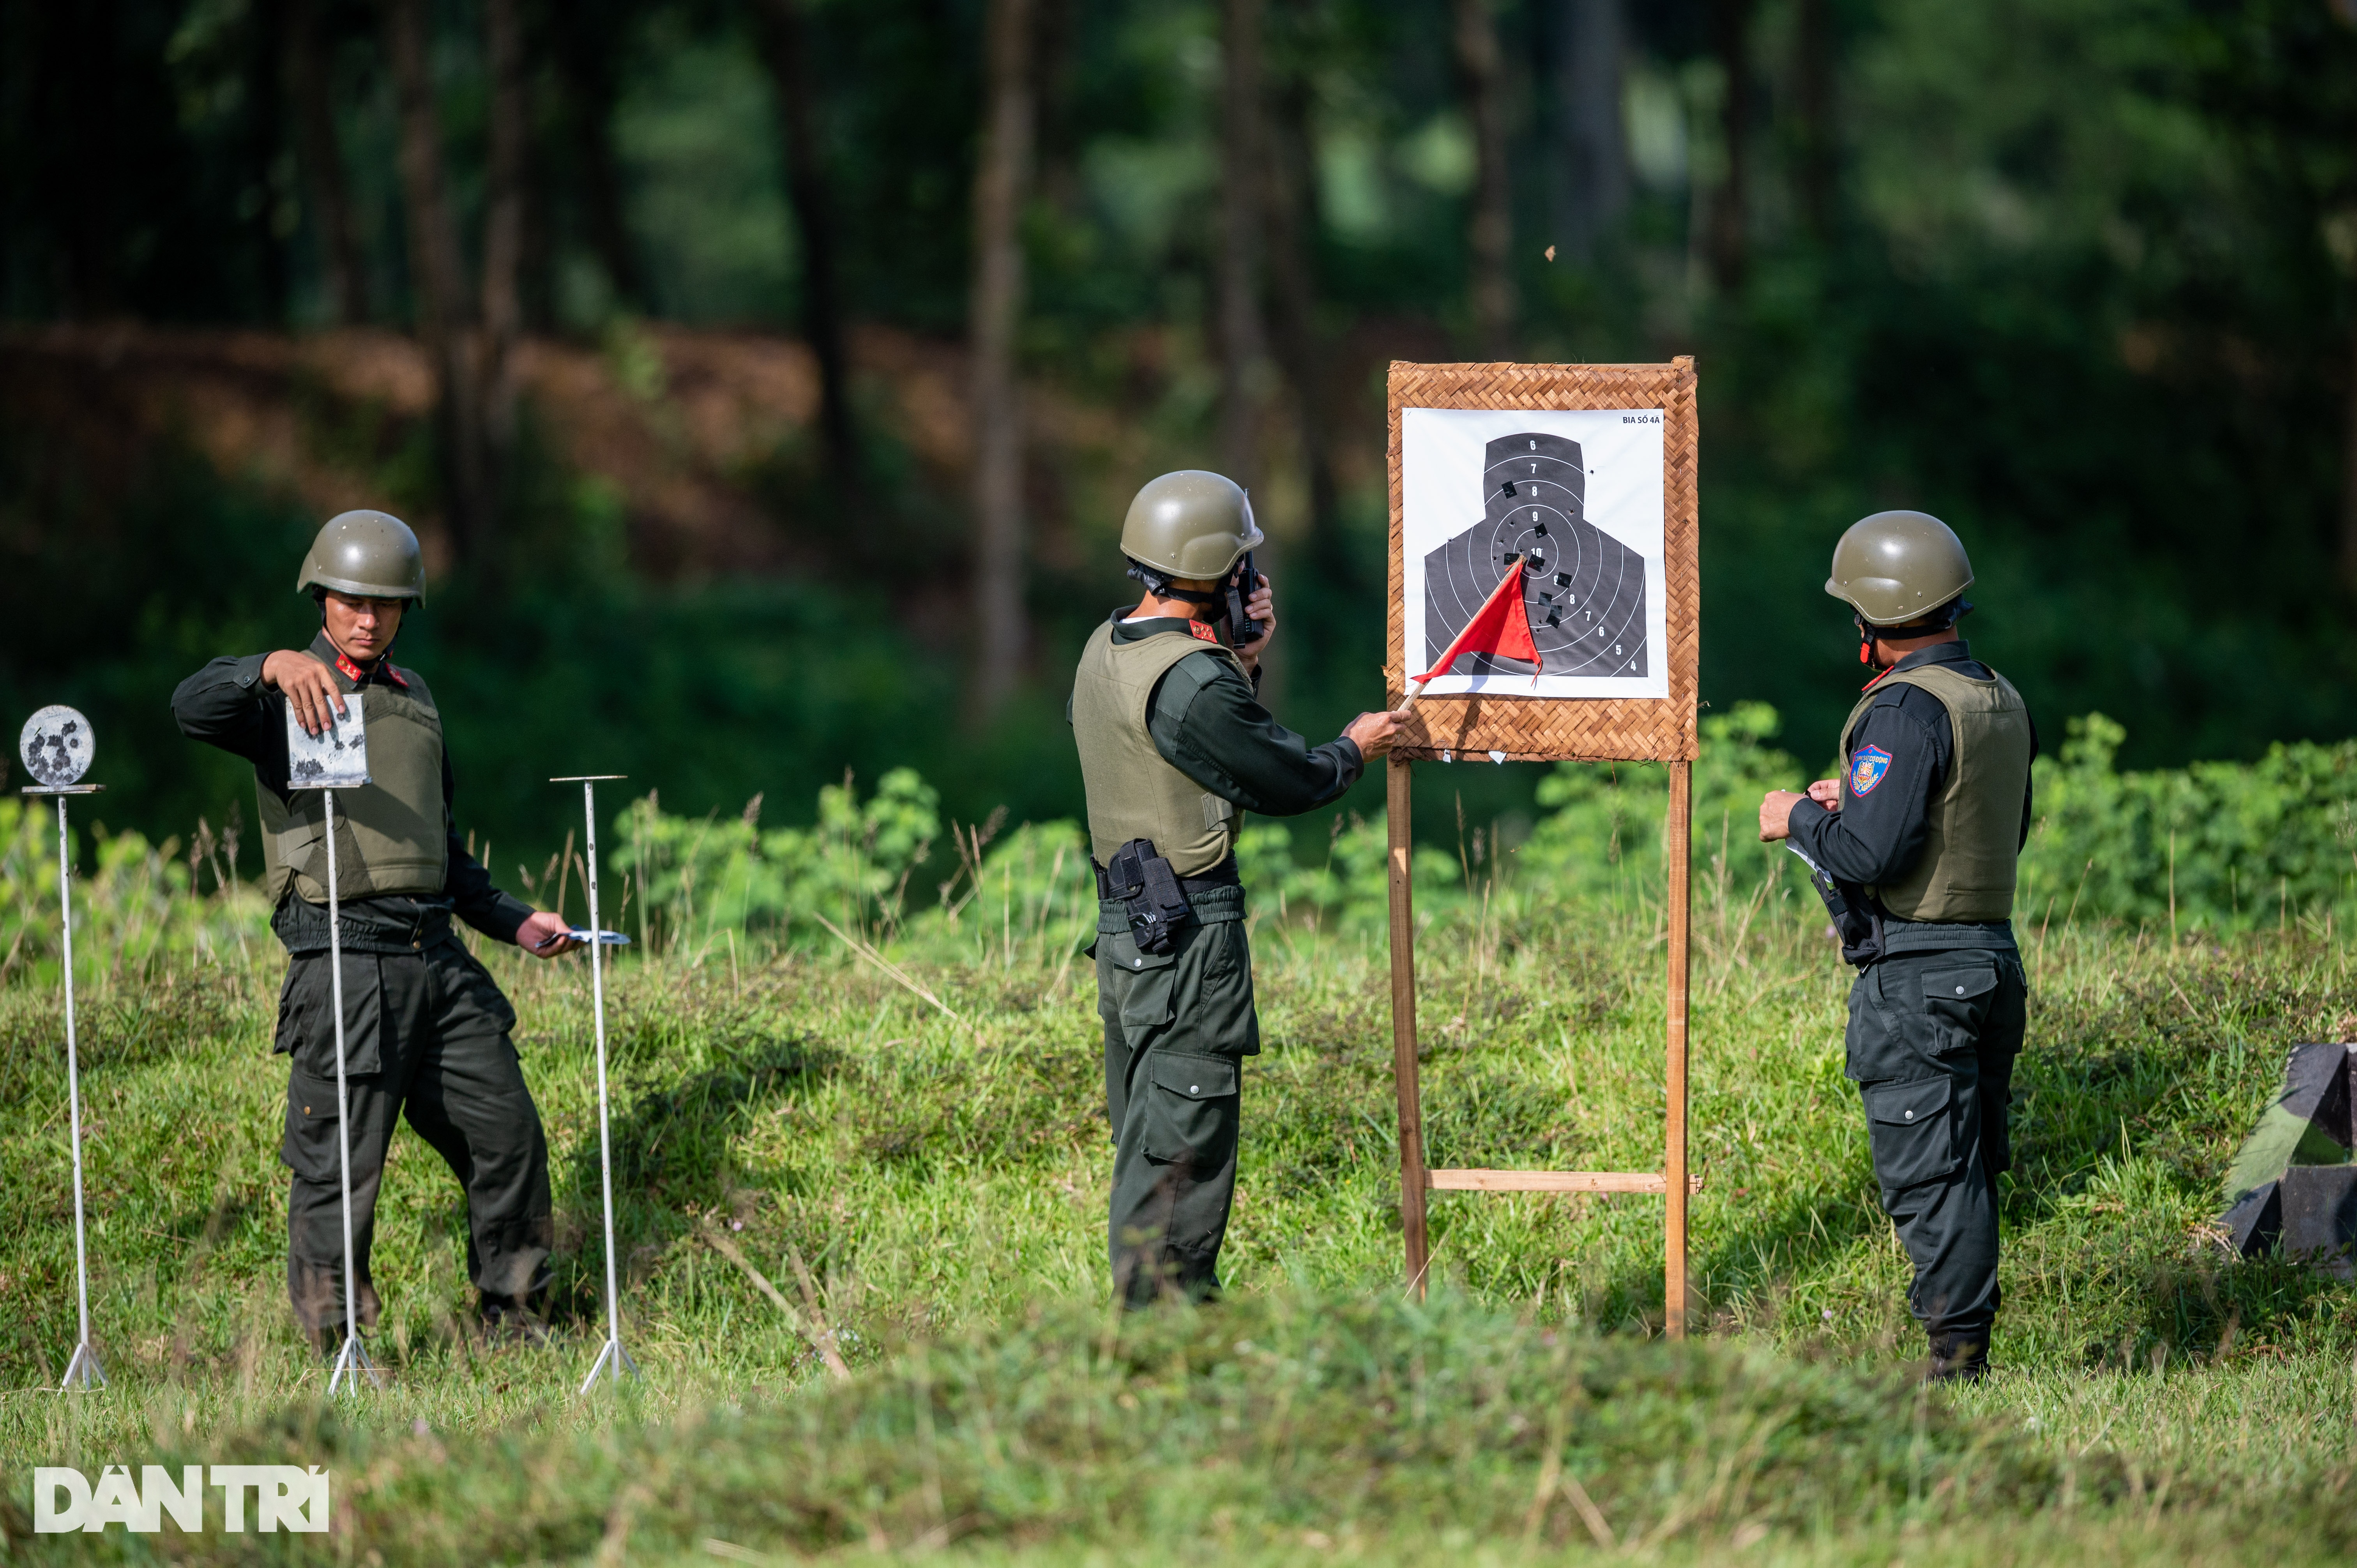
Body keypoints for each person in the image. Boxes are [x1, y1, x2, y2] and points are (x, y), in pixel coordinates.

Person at [171, 510, 580, 1347]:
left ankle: (515, 1319)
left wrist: (513, 918)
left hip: (439, 959)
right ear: (321, 597)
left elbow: (441, 848)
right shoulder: (279, 697)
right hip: (342, 961)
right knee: (338, 1170)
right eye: (352, 600)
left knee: (507, 1134)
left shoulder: (415, 698)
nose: (368, 617)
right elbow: (190, 706)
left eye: (386, 603)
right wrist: (268, 667)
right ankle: (341, 1348)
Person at [1070, 470, 1404, 1306]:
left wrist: (1240, 655)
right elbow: (1283, 777)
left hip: (1131, 931)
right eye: (1241, 568)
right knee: (1182, 1157)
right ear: (1218, 572)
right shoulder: (1192, 679)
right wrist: (1355, 746)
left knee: (1149, 1148)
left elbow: (1188, 750)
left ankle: (1145, 1348)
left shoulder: (1109, 646)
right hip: (1188, 941)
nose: (1251, 582)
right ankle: (1168, 1354)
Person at [1757, 510, 2036, 1383]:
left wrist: (1798, 815)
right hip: (1990, 955)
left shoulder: (1904, 707)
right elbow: (1992, 824)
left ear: (1875, 619)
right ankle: (1967, 1349)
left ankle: (1956, 1365)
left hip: (1917, 974)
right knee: (1970, 1161)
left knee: (1931, 1172)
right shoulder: (1993, 694)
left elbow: (1872, 857)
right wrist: (1864, 798)